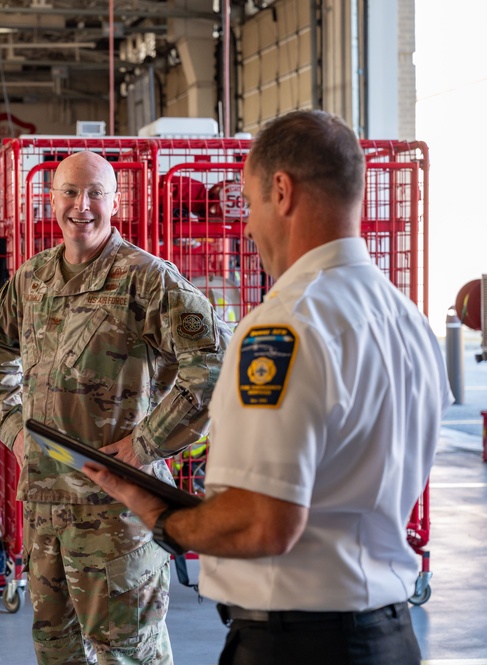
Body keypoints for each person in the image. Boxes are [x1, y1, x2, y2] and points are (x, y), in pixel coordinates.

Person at [83, 110, 452, 665]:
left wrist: (159, 514)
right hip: (392, 636)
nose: (250, 227)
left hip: (300, 644)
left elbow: (265, 523)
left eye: (251, 205)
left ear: (282, 192)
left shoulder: (286, 325)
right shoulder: (409, 323)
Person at [0, 150, 231, 664]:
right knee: (56, 649)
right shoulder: (30, 281)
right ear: (52, 200)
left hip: (119, 509)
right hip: (46, 505)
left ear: (116, 202)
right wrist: (12, 426)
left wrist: (144, 445)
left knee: (126, 652)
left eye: (95, 193)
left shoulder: (146, 279)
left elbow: (215, 364)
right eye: (70, 192)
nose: (82, 206)